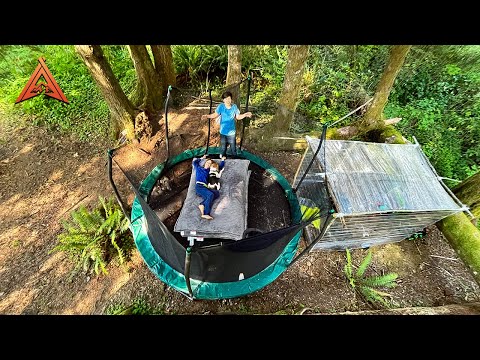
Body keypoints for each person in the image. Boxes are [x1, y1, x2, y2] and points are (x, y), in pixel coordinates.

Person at [201, 90, 253, 158]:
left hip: (231, 133)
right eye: (226, 99)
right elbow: (215, 115)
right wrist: (207, 116)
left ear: (231, 99)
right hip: (223, 132)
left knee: (233, 149)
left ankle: (235, 160)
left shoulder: (234, 107)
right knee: (223, 148)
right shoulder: (221, 107)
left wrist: (245, 114)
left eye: (229, 98)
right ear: (223, 100)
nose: (228, 100)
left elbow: (238, 117)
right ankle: (223, 159)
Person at [192, 154, 226, 220]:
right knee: (210, 195)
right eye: (207, 162)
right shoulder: (199, 168)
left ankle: (202, 204)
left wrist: (222, 160)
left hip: (205, 188)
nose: (208, 164)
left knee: (216, 194)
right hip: (199, 186)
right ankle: (205, 213)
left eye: (210, 164)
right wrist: (202, 158)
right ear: (205, 163)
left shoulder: (209, 171)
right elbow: (194, 162)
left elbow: (219, 167)